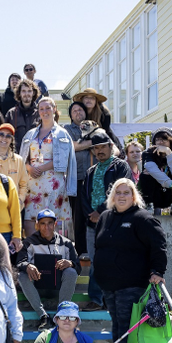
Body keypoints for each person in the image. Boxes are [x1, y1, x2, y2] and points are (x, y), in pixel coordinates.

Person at [91, 177, 167, 343]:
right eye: (118, 192)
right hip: (109, 283)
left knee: (126, 326)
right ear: (112, 196)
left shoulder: (142, 218)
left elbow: (159, 245)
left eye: (126, 192)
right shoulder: (105, 217)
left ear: (134, 196)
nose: (122, 196)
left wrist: (158, 271)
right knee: (116, 325)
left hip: (132, 283)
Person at [81, 131, 134, 309]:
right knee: (96, 262)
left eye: (103, 146)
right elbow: (84, 197)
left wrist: (100, 212)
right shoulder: (90, 171)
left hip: (114, 222)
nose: (99, 151)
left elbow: (121, 193)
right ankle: (96, 299)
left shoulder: (121, 167)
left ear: (111, 147)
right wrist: (91, 215)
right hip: (92, 224)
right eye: (96, 148)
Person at [19, 96, 77, 238]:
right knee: (31, 218)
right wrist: (29, 168)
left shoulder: (62, 133)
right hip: (33, 184)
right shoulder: (30, 134)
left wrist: (43, 168)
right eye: (41, 109)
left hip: (54, 184)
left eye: (48, 108)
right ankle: (33, 253)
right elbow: (22, 159)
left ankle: (56, 255)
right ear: (38, 111)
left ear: (54, 109)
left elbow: (66, 160)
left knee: (54, 221)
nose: (45, 111)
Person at [17, 208, 80, 326]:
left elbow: (78, 267)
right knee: (22, 275)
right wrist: (27, 266)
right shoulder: (29, 242)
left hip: (59, 290)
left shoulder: (66, 243)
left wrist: (70, 263)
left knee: (71, 272)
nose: (47, 227)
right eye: (43, 223)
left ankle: (61, 312)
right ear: (37, 225)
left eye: (50, 223)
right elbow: (20, 262)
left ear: (55, 224)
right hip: (36, 290)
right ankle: (43, 315)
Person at [67, 101, 97, 255]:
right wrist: (92, 142)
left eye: (80, 110)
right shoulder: (67, 129)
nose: (78, 112)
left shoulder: (94, 126)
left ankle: (95, 250)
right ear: (71, 115)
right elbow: (72, 146)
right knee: (78, 217)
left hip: (95, 178)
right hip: (77, 178)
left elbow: (106, 145)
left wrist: (90, 141)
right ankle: (81, 252)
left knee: (94, 214)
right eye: (74, 111)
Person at [141, 130, 172, 216]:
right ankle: (149, 206)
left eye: (164, 139)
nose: (160, 142)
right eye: (157, 139)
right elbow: (152, 170)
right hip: (155, 193)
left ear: (170, 141)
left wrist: (168, 152)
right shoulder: (148, 154)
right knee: (146, 174)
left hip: (170, 195)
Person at [0, 123, 30, 210]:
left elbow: (24, 184)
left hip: (13, 207)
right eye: (1, 134)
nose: (4, 138)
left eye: (8, 136)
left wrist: (20, 200)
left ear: (11, 140)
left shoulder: (19, 160)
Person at [4, 77, 41, 149]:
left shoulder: (40, 113)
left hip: (36, 156)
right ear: (19, 93)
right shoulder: (11, 114)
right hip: (16, 157)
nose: (26, 94)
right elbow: (5, 137)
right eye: (23, 91)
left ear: (33, 93)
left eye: (29, 91)